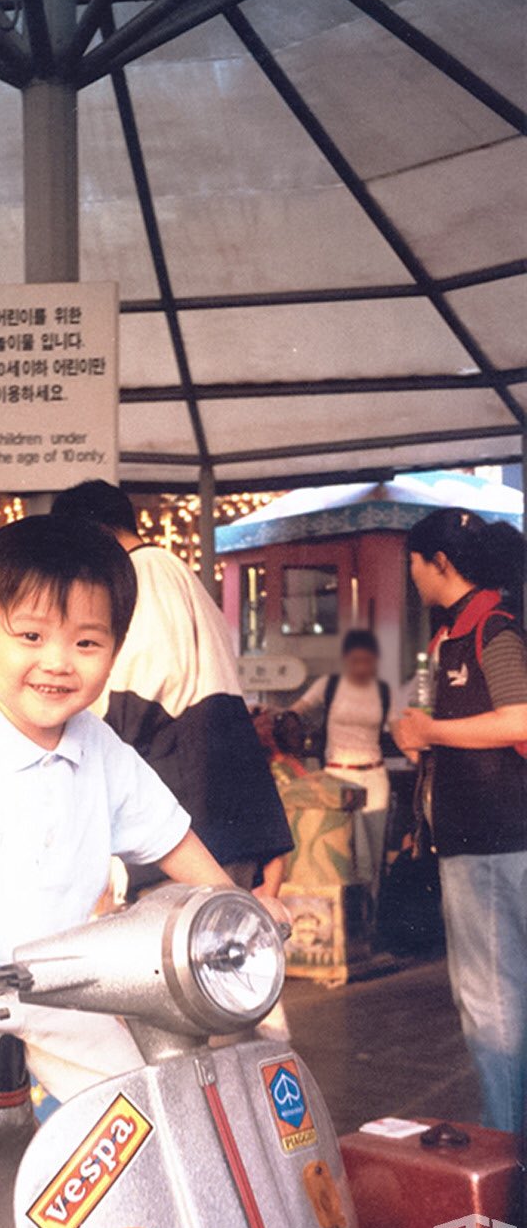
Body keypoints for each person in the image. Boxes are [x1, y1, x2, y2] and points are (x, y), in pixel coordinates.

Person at [0, 514, 287, 1228]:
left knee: (140, 1110)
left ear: (115, 651)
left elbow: (173, 839)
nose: (58, 662)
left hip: (60, 981)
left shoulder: (102, 746)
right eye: (31, 636)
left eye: (87, 642)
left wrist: (238, 911)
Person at [51, 481, 292, 896]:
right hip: (216, 815)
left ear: (95, 534)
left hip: (185, 820)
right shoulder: (176, 573)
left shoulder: (144, 572)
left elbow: (139, 689)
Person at [392, 508, 527, 1137]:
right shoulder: (457, 633)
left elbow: (521, 719)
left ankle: (506, 1147)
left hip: (494, 840)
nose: (413, 575)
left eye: (415, 563)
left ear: (439, 562)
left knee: (491, 1002)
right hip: (481, 839)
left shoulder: (490, 628)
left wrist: (432, 732)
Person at [290, 630, 392, 895]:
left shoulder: (382, 690)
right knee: (340, 850)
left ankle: (371, 911)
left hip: (374, 776)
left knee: (373, 857)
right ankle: (344, 909)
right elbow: (297, 711)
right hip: (337, 776)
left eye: (366, 660)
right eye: (355, 660)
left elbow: (398, 726)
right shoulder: (330, 684)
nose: (361, 667)